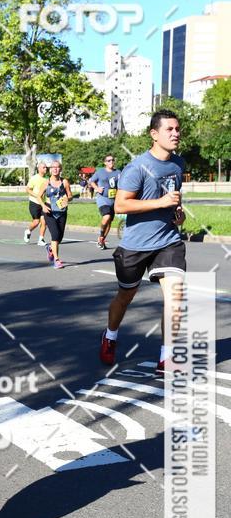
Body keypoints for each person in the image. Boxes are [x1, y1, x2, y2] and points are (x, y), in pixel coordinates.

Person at [99, 110, 186, 375]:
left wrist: (178, 213)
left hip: (168, 241)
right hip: (136, 245)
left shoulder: (178, 164)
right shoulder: (137, 167)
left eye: (177, 129)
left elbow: (173, 197)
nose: (175, 133)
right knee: (125, 296)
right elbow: (121, 205)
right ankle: (110, 335)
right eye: (169, 129)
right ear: (154, 134)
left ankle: (166, 357)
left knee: (176, 295)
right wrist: (160, 203)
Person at [42, 161, 72, 269]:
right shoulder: (46, 182)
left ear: (60, 169)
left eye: (57, 167)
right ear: (50, 169)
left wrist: (66, 199)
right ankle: (56, 260)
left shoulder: (64, 182)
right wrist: (43, 206)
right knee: (55, 235)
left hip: (62, 212)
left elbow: (70, 195)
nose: (55, 169)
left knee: (60, 237)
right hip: (49, 212)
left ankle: (50, 248)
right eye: (53, 167)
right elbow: (38, 196)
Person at [90, 154, 121, 250]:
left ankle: (102, 240)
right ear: (105, 163)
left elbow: (122, 184)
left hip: (113, 200)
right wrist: (97, 188)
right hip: (103, 199)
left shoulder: (118, 172)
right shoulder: (100, 172)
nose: (111, 162)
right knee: (106, 217)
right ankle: (101, 235)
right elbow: (91, 181)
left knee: (109, 222)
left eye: (112, 160)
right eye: (109, 160)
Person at [23, 161, 48, 246]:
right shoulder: (34, 178)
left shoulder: (47, 179)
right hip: (34, 202)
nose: (46, 169)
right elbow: (28, 189)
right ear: (39, 169)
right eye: (44, 167)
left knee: (44, 221)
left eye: (46, 167)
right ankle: (28, 231)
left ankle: (41, 239)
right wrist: (37, 195)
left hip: (43, 203)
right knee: (36, 222)